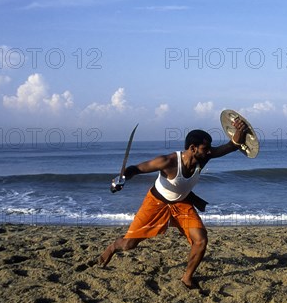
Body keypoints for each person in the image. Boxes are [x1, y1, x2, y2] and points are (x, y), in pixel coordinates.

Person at [98, 119, 248, 290]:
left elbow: (232, 145)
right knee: (128, 245)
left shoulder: (204, 157)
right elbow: (137, 169)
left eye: (209, 149)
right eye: (205, 148)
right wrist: (121, 179)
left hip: (182, 204)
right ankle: (111, 248)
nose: (209, 152)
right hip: (156, 203)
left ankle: (187, 279)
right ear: (192, 148)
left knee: (201, 241)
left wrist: (240, 129)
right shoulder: (168, 161)